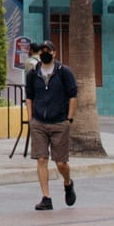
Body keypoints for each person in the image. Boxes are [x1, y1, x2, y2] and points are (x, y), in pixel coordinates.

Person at [23, 39, 77, 211]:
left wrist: (69, 119)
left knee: (61, 162)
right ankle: (46, 198)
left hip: (59, 122)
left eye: (48, 50)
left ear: (54, 53)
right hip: (39, 122)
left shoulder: (64, 72)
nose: (45, 52)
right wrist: (31, 118)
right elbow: (29, 97)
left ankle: (68, 183)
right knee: (41, 159)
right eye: (42, 50)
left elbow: (73, 95)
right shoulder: (33, 74)